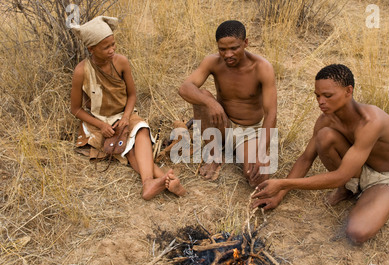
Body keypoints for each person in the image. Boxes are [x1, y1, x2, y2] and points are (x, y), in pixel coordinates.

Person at [252, 64, 389, 244]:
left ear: (348, 91)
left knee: (356, 233)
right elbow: (306, 159)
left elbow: (340, 176)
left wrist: (282, 183)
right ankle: (348, 191)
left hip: (385, 179)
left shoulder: (371, 122)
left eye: (328, 96)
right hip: (357, 168)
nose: (321, 101)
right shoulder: (326, 120)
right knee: (324, 136)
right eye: (317, 96)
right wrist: (279, 194)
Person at [70, 16, 185, 200]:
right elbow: (75, 109)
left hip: (124, 114)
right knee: (128, 147)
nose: (112, 50)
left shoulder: (121, 62)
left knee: (140, 130)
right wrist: (101, 126)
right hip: (98, 121)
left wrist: (125, 118)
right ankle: (162, 179)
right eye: (106, 47)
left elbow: (132, 95)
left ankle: (148, 183)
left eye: (113, 44)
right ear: (91, 49)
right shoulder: (81, 71)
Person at [178, 20, 277, 186]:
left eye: (234, 48)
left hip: (249, 130)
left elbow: (271, 114)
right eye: (222, 49)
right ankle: (214, 154)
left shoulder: (262, 67)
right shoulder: (212, 62)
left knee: (256, 178)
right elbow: (185, 88)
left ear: (245, 43)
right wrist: (211, 103)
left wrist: (262, 151)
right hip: (222, 124)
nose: (228, 54)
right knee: (202, 95)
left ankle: (240, 151)